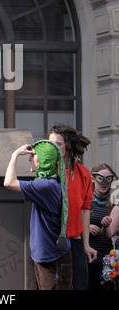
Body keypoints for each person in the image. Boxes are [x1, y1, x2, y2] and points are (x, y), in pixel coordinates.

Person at [4, 139, 72, 290]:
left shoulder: (45, 185)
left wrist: (15, 155)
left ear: (44, 159)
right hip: (48, 254)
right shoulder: (49, 181)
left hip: (52, 257)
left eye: (33, 155)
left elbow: (8, 182)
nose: (29, 158)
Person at [48, 122, 97, 290]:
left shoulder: (83, 172)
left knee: (79, 285)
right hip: (50, 241)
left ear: (68, 145)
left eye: (57, 144)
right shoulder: (47, 171)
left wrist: (86, 244)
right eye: (50, 143)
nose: (52, 147)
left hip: (74, 243)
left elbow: (85, 210)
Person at [88, 162, 118, 289]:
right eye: (100, 178)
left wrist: (109, 227)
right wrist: (86, 227)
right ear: (92, 179)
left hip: (106, 258)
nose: (104, 182)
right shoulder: (84, 200)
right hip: (86, 257)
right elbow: (70, 223)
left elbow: (112, 231)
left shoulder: (113, 203)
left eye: (108, 179)